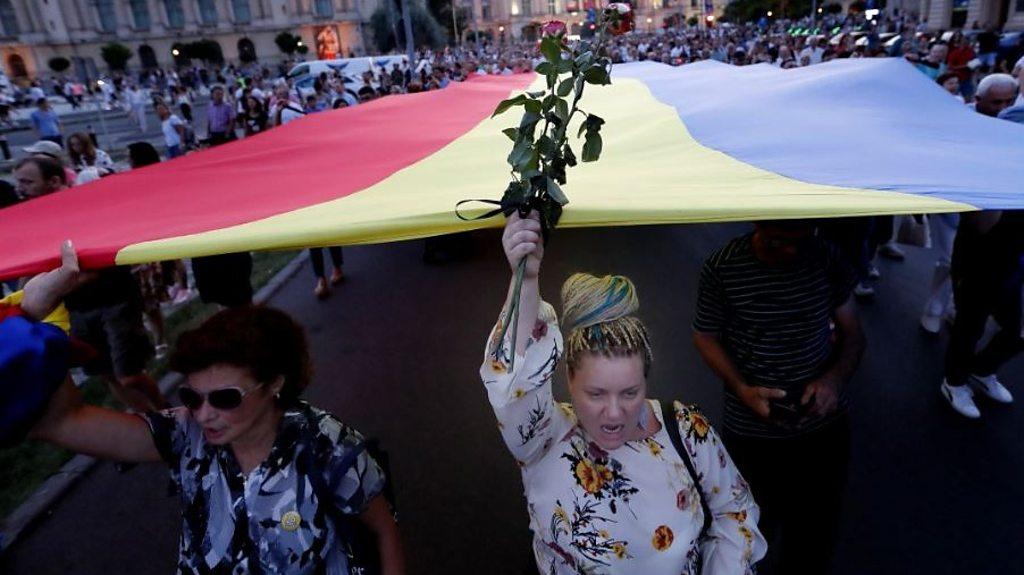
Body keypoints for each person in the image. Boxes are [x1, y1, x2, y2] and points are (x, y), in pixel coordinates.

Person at [18, 248, 405, 573]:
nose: (202, 415)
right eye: (190, 397)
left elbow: (383, 532)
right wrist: (33, 316)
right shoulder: (184, 435)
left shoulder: (328, 446)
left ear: (275, 383)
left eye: (225, 398)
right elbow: (59, 421)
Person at [481, 211, 766, 574]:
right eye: (596, 394)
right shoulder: (544, 439)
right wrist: (527, 278)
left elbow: (733, 509)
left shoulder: (686, 430)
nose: (614, 413)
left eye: (629, 393)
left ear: (646, 379)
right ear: (568, 380)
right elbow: (513, 385)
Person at [692, 220, 864, 575]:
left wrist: (833, 381)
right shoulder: (723, 266)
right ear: (758, 223)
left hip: (823, 431)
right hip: (752, 435)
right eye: (777, 241)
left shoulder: (826, 258)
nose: (789, 251)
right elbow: (705, 336)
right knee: (747, 534)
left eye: (799, 241)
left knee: (815, 537)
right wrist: (741, 388)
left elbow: (854, 335)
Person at [940, 210, 1024, 419]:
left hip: (1012, 265)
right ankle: (954, 382)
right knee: (970, 324)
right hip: (978, 261)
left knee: (1016, 328)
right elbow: (982, 222)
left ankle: (983, 369)